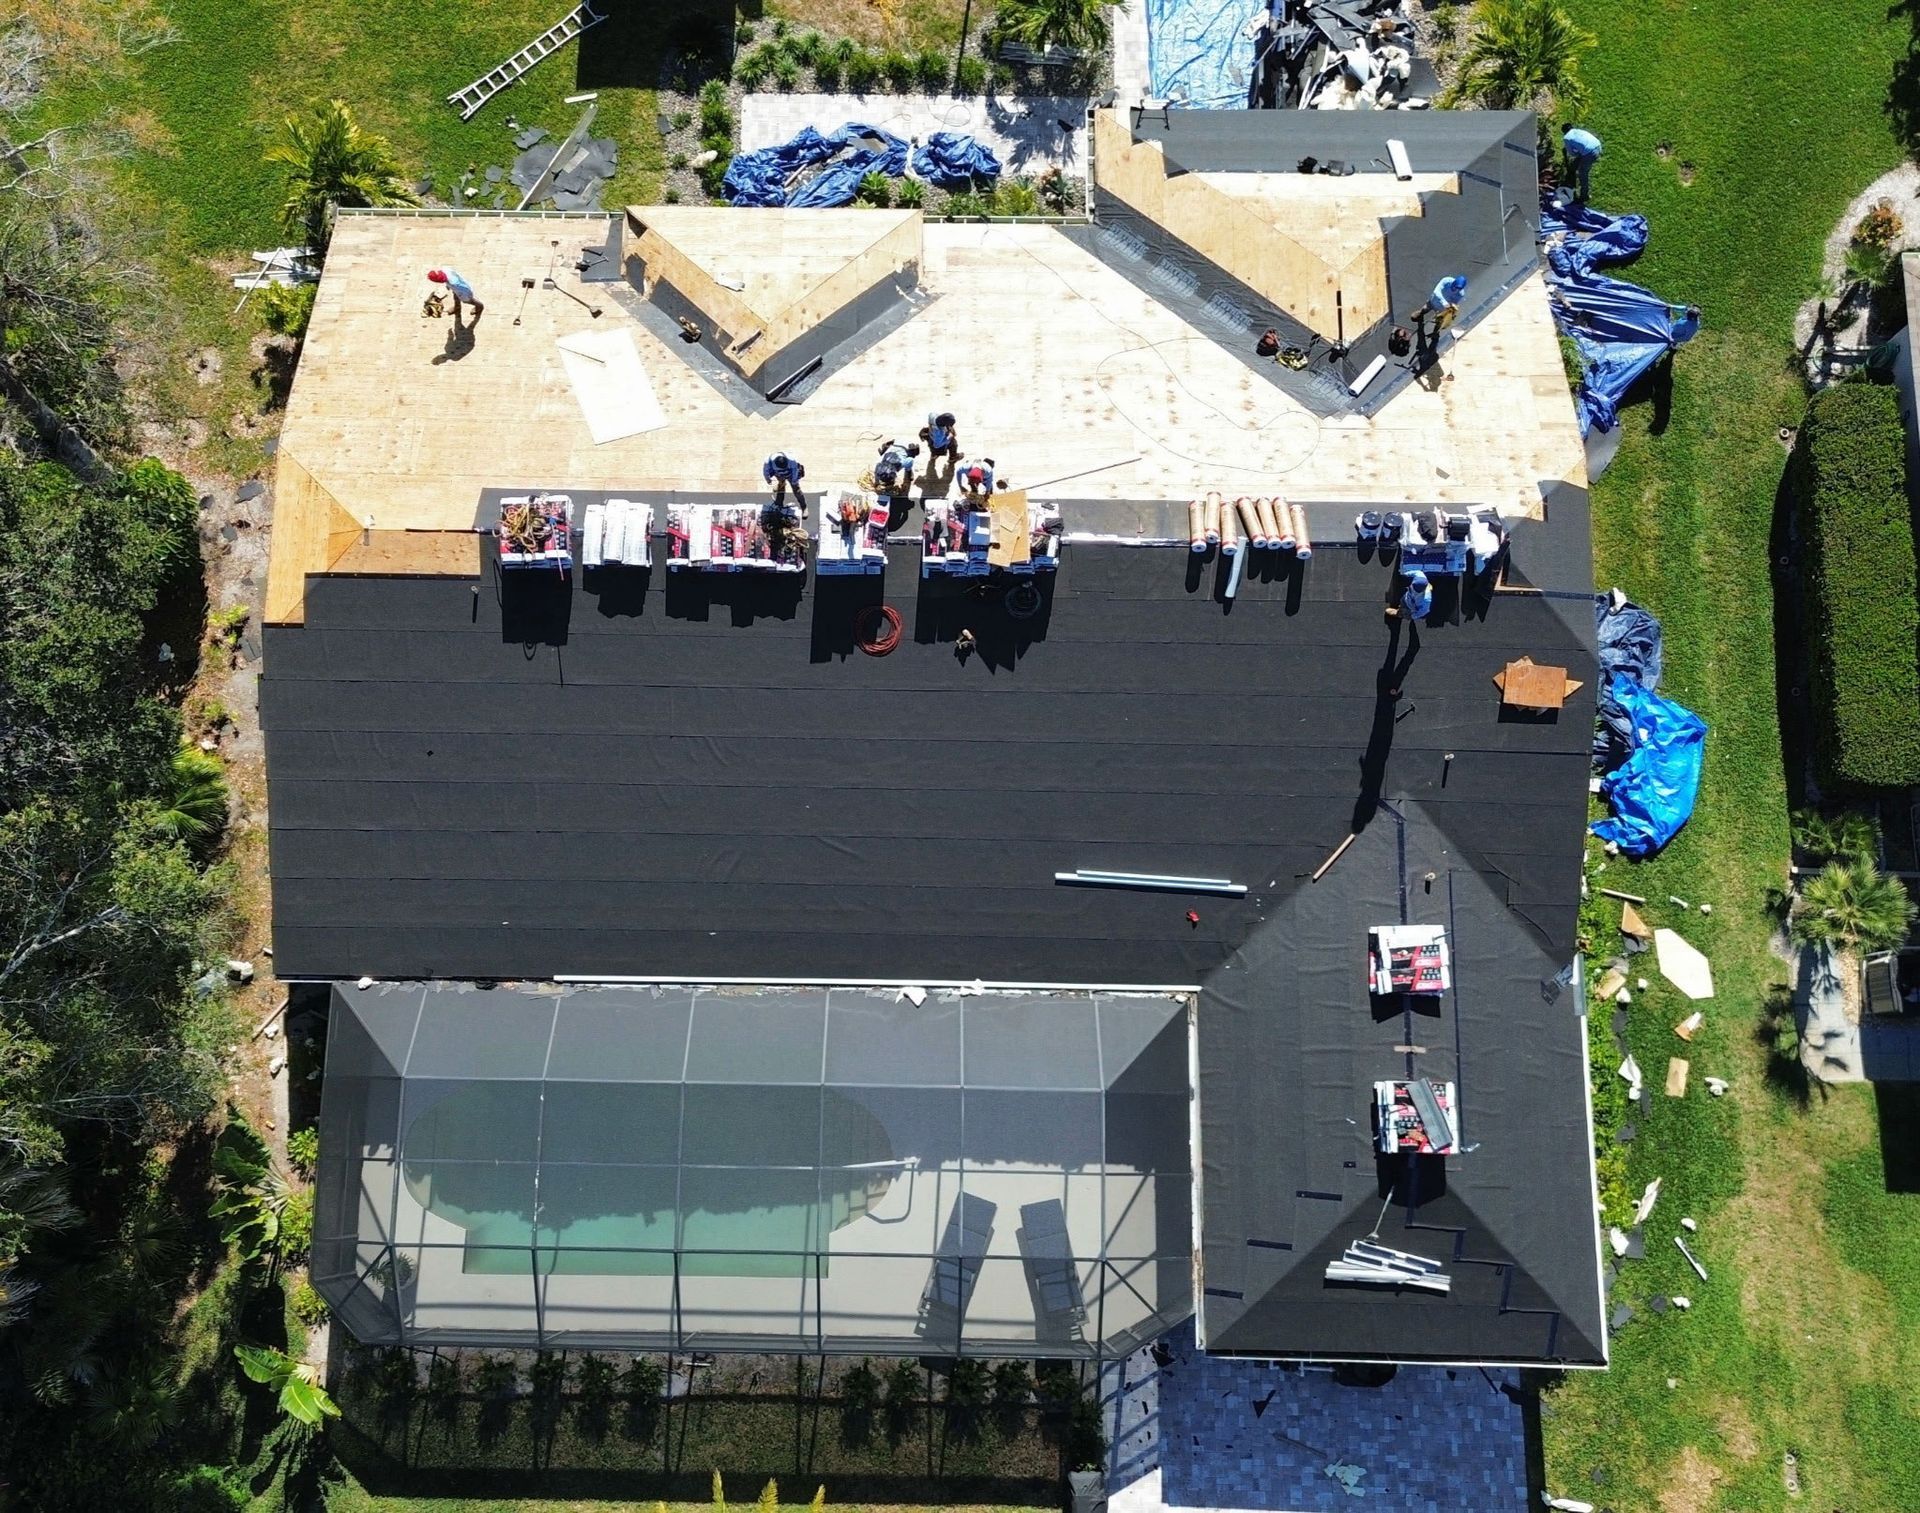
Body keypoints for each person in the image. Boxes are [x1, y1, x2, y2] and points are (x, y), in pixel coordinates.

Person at [1561, 124, 1602, 202]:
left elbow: (1572, 153)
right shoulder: (1578, 131)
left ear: (1564, 132)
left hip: (1589, 153)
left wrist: (1573, 152)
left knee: (1583, 174)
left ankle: (1584, 196)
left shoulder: (1567, 137)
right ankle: (1572, 171)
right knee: (1580, 157)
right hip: (1597, 146)